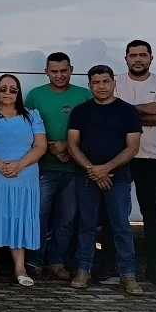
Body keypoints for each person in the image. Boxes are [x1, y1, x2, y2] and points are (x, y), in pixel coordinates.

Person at [65, 65, 144, 296]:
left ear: (113, 83)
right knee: (86, 226)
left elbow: (132, 147)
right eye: (96, 82)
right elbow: (72, 144)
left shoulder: (128, 112)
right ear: (90, 85)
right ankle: (83, 270)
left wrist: (105, 169)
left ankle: (128, 274)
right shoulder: (80, 111)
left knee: (121, 226)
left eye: (105, 81)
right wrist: (92, 170)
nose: (101, 86)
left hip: (118, 178)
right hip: (86, 178)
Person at [114, 39, 156, 286]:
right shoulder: (115, 82)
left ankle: (155, 267)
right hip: (119, 158)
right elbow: (109, 116)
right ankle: (110, 264)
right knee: (113, 213)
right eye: (133, 55)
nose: (138, 59)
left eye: (143, 55)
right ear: (126, 58)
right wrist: (145, 110)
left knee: (152, 215)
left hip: (152, 158)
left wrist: (125, 113)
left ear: (151, 58)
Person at [23, 52, 90, 280]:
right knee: (39, 215)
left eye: (64, 70)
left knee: (67, 217)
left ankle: (57, 261)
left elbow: (91, 128)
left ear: (71, 69)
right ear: (46, 72)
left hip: (74, 169)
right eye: (54, 71)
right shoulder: (35, 96)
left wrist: (68, 148)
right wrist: (52, 146)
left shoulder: (84, 95)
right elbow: (26, 128)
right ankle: (34, 260)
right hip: (44, 167)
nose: (59, 75)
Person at [0, 73, 47, 286]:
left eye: (13, 89)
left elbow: (40, 146)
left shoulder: (32, 116)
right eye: (3, 88)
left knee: (20, 216)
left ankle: (20, 267)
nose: (8, 92)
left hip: (23, 176)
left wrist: (19, 165)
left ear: (19, 92)